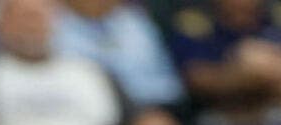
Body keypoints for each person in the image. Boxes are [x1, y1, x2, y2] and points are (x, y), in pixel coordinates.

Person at [54, 0, 186, 109]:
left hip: (152, 107)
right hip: (88, 111)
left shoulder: (136, 21)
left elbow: (165, 81)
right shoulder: (54, 25)